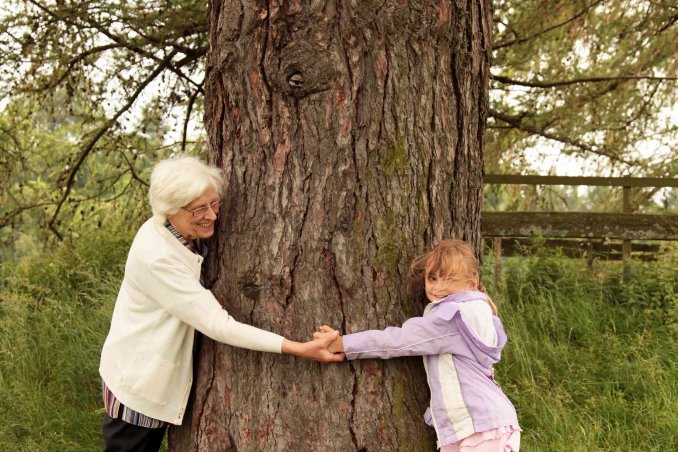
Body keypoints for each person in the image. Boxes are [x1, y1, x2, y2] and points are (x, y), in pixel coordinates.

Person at [99, 156, 343, 452]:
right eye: (199, 209)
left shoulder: (179, 229)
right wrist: (298, 348)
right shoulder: (158, 257)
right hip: (138, 382)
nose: (212, 216)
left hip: (146, 370)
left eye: (214, 203)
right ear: (169, 210)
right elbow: (219, 325)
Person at [316, 240, 521, 451]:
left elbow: (398, 341)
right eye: (432, 278)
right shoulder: (472, 313)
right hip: (473, 426)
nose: (438, 286)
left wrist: (344, 343)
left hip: (482, 427)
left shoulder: (453, 318)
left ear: (472, 282)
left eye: (450, 278)